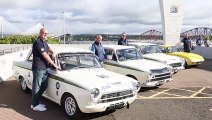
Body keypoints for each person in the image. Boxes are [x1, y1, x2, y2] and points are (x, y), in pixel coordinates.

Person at [31, 28, 59, 111]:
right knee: (36, 87)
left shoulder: (45, 43)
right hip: (38, 68)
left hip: (45, 68)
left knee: (44, 85)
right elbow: (45, 55)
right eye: (44, 33)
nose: (46, 34)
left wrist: (54, 53)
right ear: (40, 33)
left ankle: (35, 102)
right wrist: (54, 64)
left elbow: (50, 50)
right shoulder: (37, 42)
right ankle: (35, 105)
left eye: (47, 33)